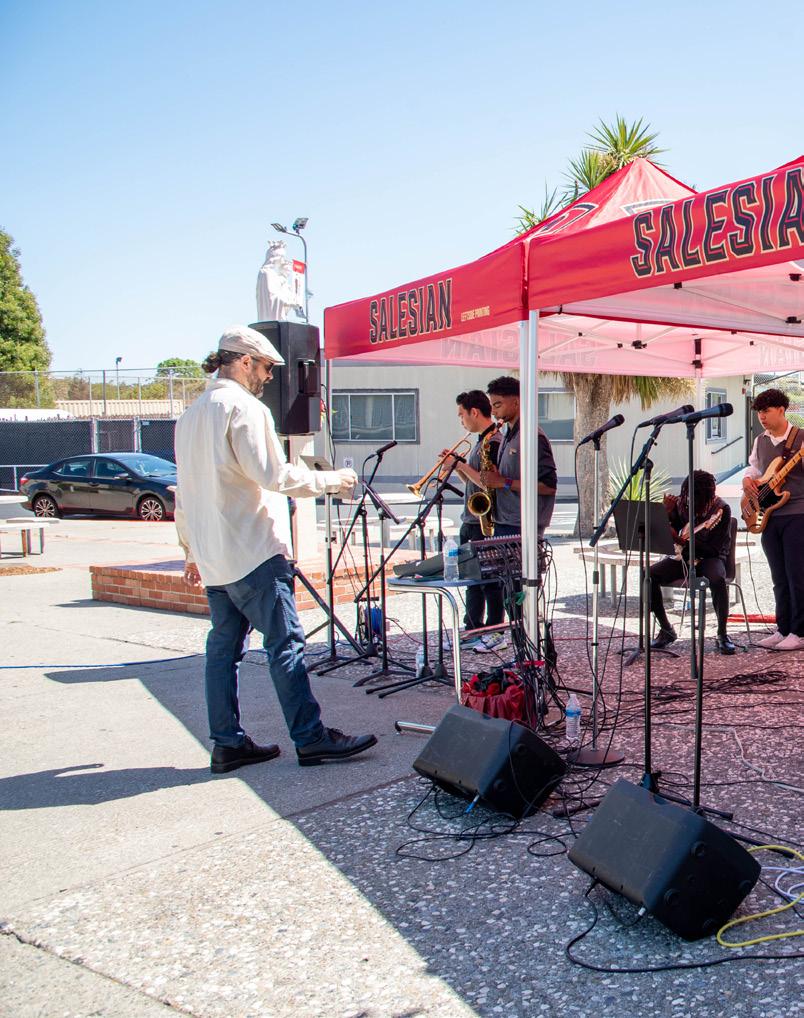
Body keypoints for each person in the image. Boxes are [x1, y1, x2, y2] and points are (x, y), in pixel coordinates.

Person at [174, 325, 377, 772]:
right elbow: (274, 475)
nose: (269, 377)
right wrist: (332, 480)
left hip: (215, 557)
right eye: (266, 367)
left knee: (222, 653)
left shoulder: (190, 416)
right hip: (253, 551)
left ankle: (227, 743)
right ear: (245, 361)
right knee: (285, 645)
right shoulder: (244, 408)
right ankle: (311, 738)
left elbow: (183, 493)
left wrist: (190, 549)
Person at [438, 390, 504, 649]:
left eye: (461, 415)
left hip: (484, 521)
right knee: (472, 581)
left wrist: (461, 465)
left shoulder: (493, 441)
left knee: (489, 581)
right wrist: (457, 467)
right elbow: (472, 482)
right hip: (471, 518)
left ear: (474, 412)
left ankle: (495, 631)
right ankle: (472, 629)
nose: (461, 421)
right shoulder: (480, 441)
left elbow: (489, 482)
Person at [742, 388, 804, 651]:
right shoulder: (760, 441)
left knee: (797, 574)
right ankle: (783, 628)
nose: (762, 417)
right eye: (759, 412)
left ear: (781, 410)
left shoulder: (800, 437)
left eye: (766, 411)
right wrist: (748, 479)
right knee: (778, 576)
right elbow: (756, 468)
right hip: (769, 515)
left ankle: (800, 632)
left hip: (798, 513)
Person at [649, 470, 735, 655]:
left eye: (695, 497)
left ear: (708, 496)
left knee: (717, 579)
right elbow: (669, 532)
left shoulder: (721, 509)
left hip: (710, 557)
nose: (689, 501)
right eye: (687, 495)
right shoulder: (681, 503)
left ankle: (722, 634)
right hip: (685, 556)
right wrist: (666, 512)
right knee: (648, 575)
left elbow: (713, 549)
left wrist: (680, 541)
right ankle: (666, 630)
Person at [482, 376, 558, 540]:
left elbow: (549, 486)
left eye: (497, 405)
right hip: (506, 521)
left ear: (516, 402)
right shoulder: (507, 433)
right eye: (492, 406)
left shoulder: (533, 437)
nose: (493, 412)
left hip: (522, 525)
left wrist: (503, 482)